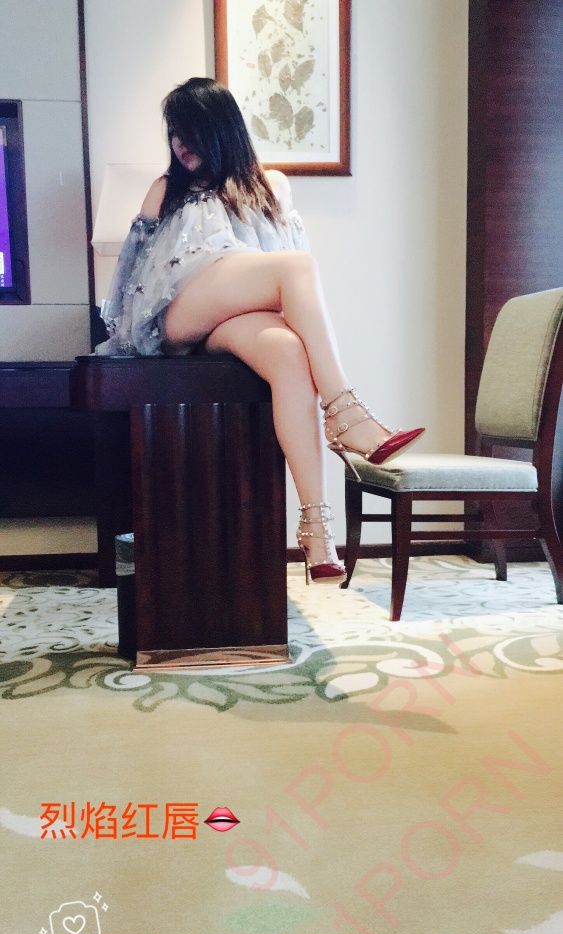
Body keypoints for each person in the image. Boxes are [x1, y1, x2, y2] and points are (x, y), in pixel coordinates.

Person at [96, 77, 425, 585]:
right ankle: (346, 412)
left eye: (190, 131)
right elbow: (134, 278)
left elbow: (283, 276)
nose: (180, 144)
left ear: (220, 128)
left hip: (238, 316)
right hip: (180, 315)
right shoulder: (166, 190)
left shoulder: (272, 185)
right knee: (298, 268)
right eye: (174, 133)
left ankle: (316, 529)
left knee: (289, 353)